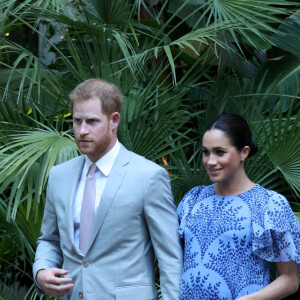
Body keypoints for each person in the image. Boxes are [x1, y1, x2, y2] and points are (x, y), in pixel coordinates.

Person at [33, 78, 182, 300]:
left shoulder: (148, 176)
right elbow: (49, 240)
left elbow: (170, 257)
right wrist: (41, 270)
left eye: (92, 121)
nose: (82, 130)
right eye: (77, 121)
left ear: (114, 120)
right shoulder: (59, 176)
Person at [177, 113, 300, 300]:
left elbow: (290, 279)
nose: (210, 161)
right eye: (206, 152)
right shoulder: (193, 199)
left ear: (244, 152)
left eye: (220, 152)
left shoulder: (268, 205)